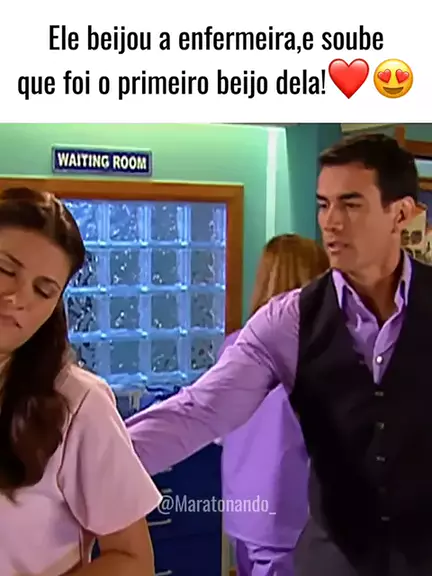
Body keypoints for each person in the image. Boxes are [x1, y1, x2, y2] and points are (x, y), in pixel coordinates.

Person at [126, 133, 432, 575]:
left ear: (400, 214)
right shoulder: (288, 321)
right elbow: (199, 411)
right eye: (323, 204)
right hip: (332, 563)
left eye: (350, 204)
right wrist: (76, 467)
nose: (331, 222)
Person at [0, 187, 161, 576]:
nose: (17, 298)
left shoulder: (78, 403)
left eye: (43, 290)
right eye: (4, 270)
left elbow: (133, 561)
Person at [218, 234, 328, 576]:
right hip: (288, 520)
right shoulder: (315, 355)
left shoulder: (235, 346)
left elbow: (218, 431)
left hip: (243, 513)